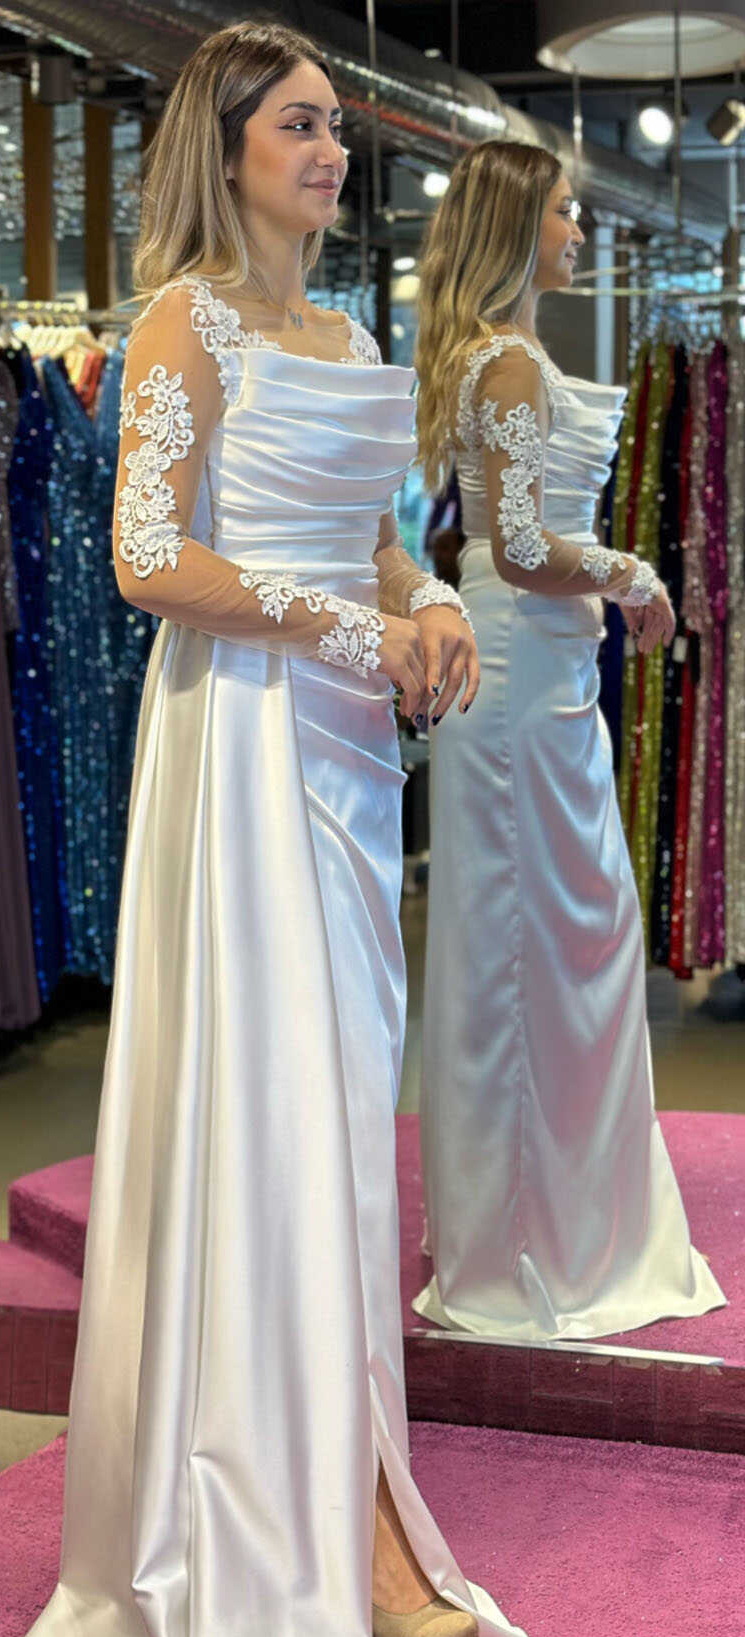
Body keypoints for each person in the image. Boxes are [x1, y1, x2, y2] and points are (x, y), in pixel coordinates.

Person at [3, 25, 526, 1637]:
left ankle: (339, 1471)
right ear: (223, 148)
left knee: (337, 1117)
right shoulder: (185, 323)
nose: (330, 150)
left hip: (348, 761)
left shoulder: (350, 332)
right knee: (270, 1109)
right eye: (298, 125)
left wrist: (425, 604)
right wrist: (349, 627)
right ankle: (316, 1517)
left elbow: (370, 532)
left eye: (334, 127)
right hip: (237, 745)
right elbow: (148, 558)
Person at [414, 140, 726, 1344]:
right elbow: (522, 546)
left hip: (538, 673)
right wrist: (634, 572)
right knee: (533, 946)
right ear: (515, 227)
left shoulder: (504, 354)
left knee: (563, 938)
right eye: (561, 211)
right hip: (515, 679)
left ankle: (547, 1219)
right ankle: (526, 1244)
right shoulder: (501, 363)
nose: (578, 231)